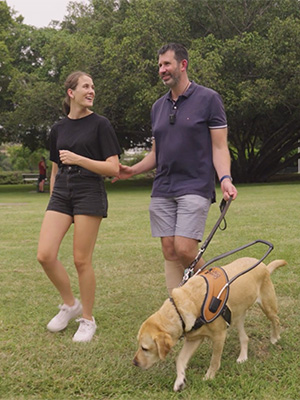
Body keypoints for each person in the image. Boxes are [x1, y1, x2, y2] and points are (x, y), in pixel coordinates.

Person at [114, 43, 238, 295]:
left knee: (185, 249)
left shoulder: (209, 99)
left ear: (183, 65)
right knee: (169, 251)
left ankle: (219, 292)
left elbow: (219, 147)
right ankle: (178, 306)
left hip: (194, 185)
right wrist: (132, 170)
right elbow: (156, 154)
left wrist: (225, 178)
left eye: (167, 64)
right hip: (163, 187)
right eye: (159, 65)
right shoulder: (157, 107)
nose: (162, 70)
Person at [37, 71, 121, 342]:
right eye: (86, 86)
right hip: (61, 193)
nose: (92, 90)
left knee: (81, 259)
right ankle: (70, 304)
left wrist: (79, 159)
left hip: (89, 191)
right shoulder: (58, 128)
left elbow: (113, 168)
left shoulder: (101, 125)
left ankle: (87, 319)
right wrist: (53, 197)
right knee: (45, 255)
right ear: (71, 93)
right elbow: (54, 169)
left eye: (93, 86)